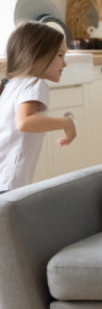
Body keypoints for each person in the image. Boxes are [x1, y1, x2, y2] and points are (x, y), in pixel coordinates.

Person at [0, 21, 76, 193]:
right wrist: (66, 123)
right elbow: (24, 122)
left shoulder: (13, 84)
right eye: (60, 55)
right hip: (8, 180)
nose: (64, 64)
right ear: (38, 55)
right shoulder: (35, 83)